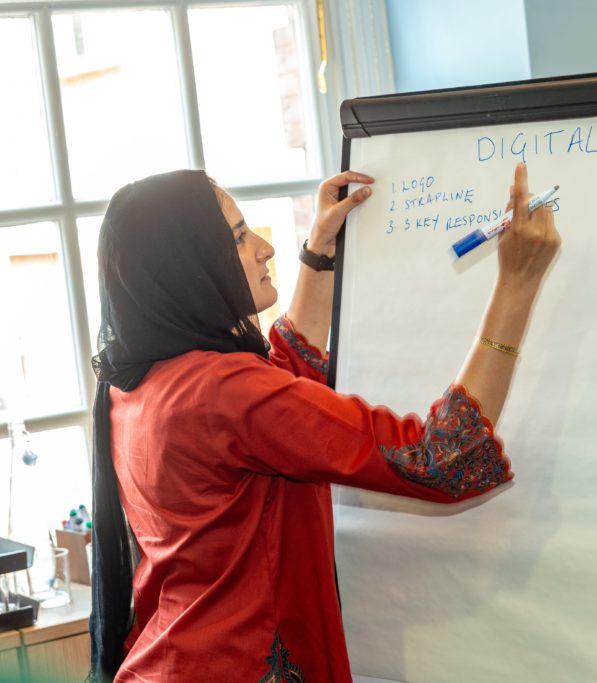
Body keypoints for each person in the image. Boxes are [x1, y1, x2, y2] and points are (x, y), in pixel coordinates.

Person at [88, 162, 560, 682]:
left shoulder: (136, 381)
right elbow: (440, 459)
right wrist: (517, 284)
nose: (265, 250)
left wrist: (319, 252)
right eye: (241, 238)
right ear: (190, 267)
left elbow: (276, 392)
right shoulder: (226, 391)